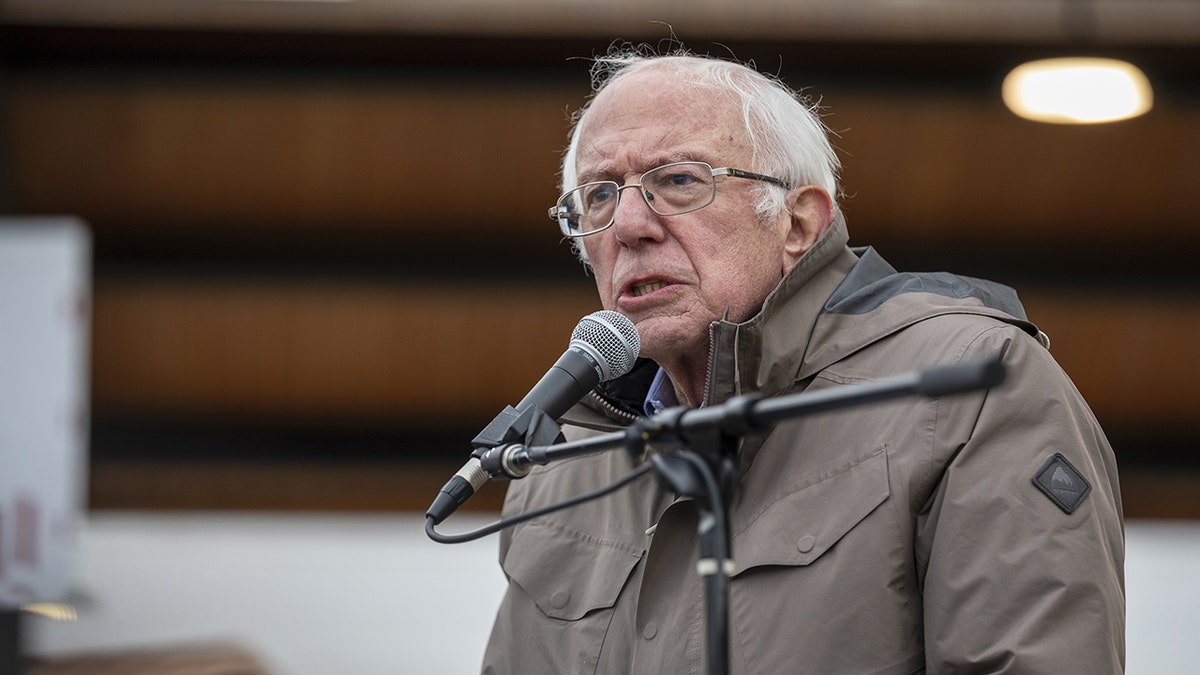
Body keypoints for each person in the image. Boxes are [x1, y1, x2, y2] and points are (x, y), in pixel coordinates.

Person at [481, 47, 1124, 674]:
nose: (626, 225)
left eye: (678, 180)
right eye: (597, 196)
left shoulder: (970, 387)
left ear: (797, 223)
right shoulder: (560, 460)